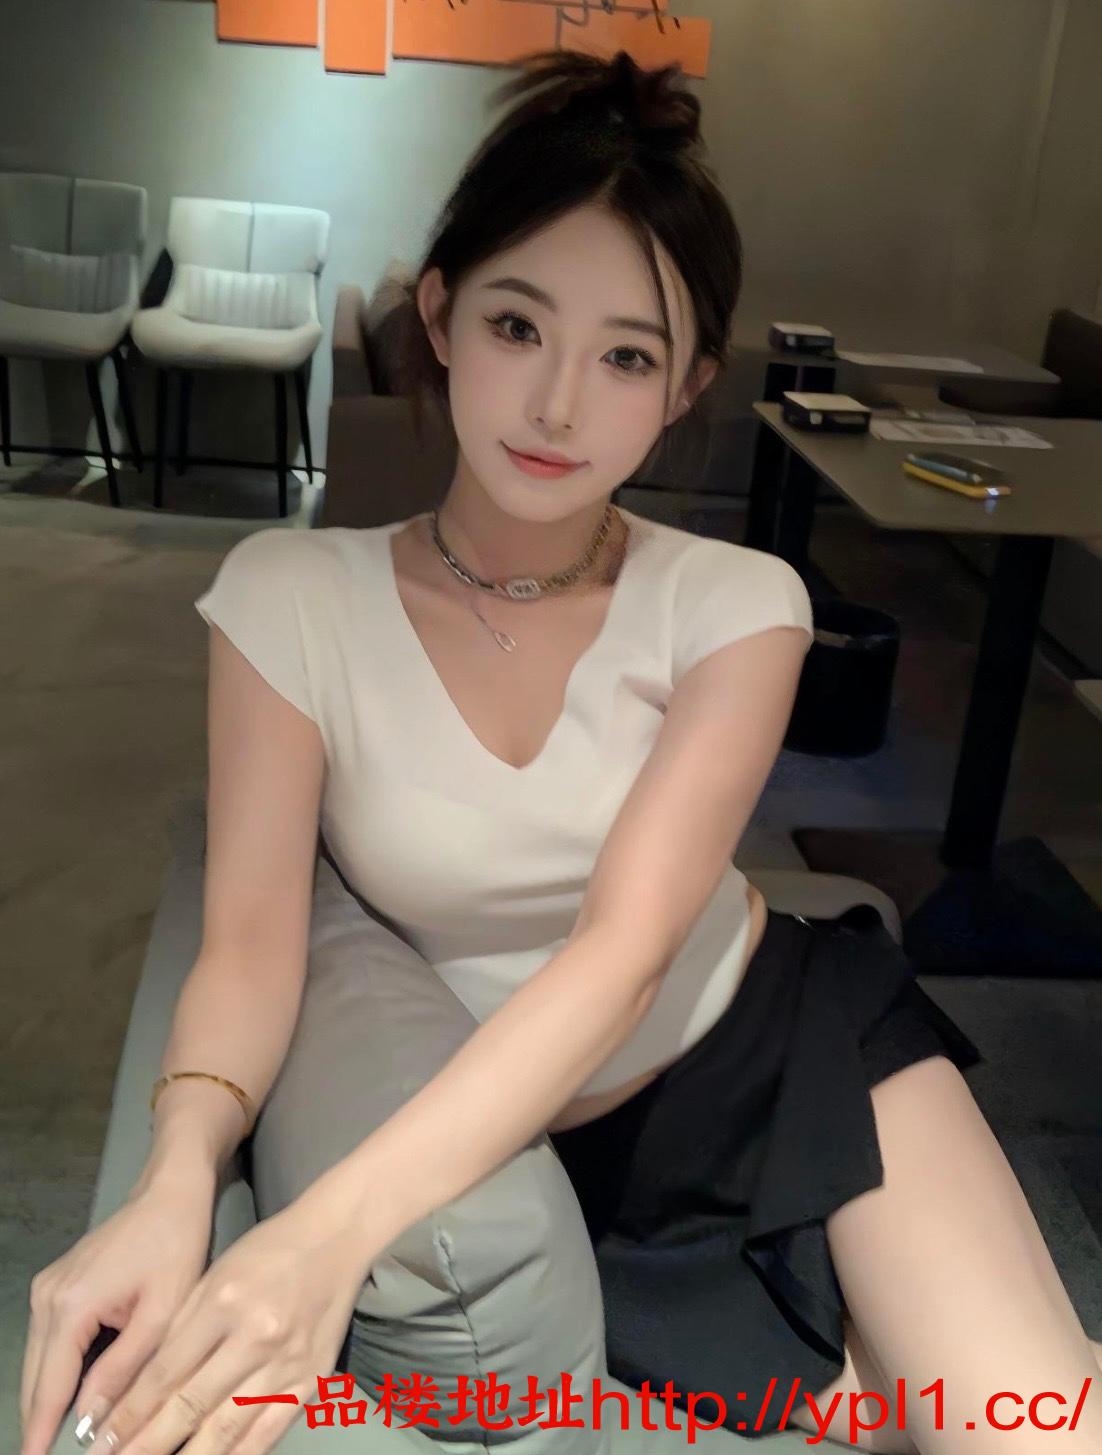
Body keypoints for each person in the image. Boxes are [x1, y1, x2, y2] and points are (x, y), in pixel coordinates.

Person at [20, 47, 1102, 1455]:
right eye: (518, 326)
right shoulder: (291, 598)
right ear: (439, 317)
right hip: (525, 1148)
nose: (556, 406)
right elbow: (249, 940)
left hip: (776, 1054)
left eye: (627, 356)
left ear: (686, 385)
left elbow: (624, 953)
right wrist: (175, 1180)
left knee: (1031, 1427)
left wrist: (324, 1236)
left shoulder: (736, 604)